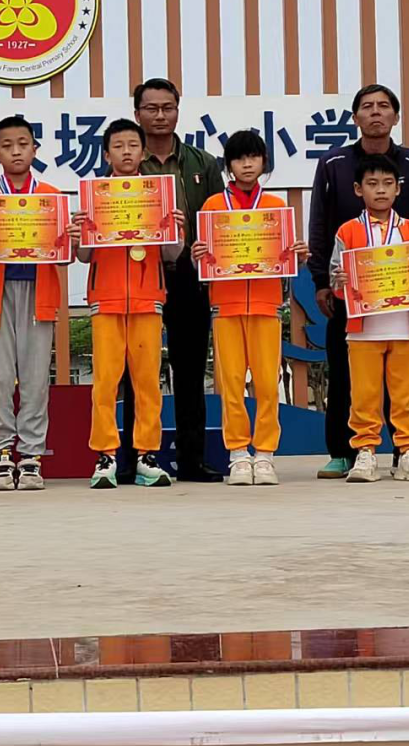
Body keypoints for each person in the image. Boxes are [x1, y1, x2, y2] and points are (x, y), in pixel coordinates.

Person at [307, 83, 409, 480]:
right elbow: (319, 223)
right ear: (355, 117)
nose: (376, 112)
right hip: (351, 294)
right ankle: (346, 452)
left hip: (404, 302)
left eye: (384, 106)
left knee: (405, 384)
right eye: (367, 106)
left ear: (396, 116)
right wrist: (323, 280)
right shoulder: (333, 162)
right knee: (347, 374)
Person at [73, 119, 186, 489]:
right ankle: (105, 455)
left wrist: (175, 228)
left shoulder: (158, 195)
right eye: (118, 146)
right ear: (106, 154)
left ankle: (146, 455)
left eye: (132, 146)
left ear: (143, 152)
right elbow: (84, 256)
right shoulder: (94, 196)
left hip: (147, 297)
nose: (126, 152)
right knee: (105, 382)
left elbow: (171, 254)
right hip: (105, 299)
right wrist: (81, 230)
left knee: (147, 382)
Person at [191, 131, 309, 486]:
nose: (246, 164)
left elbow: (287, 260)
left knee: (268, 383)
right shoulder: (213, 206)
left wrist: (297, 255)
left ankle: (266, 454)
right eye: (239, 158)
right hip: (224, 306)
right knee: (230, 383)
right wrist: (198, 256)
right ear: (228, 165)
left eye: (253, 158)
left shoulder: (275, 207)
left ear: (263, 162)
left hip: (266, 304)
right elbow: (203, 260)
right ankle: (239, 454)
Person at [330, 153, 409, 484]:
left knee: (408, 396)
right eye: (372, 184)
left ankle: (408, 451)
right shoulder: (348, 231)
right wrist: (340, 281)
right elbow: (336, 278)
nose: (380, 190)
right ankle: (365, 452)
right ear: (358, 189)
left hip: (406, 327)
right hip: (364, 331)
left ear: (398, 188)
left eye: (387, 183)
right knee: (364, 397)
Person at [131, 77, 224, 483]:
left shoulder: (203, 163)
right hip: (140, 274)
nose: (160, 115)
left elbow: (220, 217)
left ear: (177, 110)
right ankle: (133, 458)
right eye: (151, 108)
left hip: (189, 274)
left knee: (189, 370)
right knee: (137, 371)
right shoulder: (126, 161)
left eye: (167, 107)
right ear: (137, 113)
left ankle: (191, 459)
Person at [0, 115, 66, 492]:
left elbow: (63, 258)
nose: (15, 151)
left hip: (38, 294)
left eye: (23, 144)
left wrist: (69, 235)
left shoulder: (52, 197)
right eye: (7, 146)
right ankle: (0, 454)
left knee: (35, 378)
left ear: (34, 150)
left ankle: (30, 456)